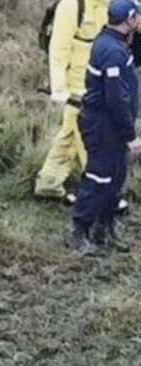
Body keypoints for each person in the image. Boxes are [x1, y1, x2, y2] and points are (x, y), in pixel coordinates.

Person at [69, 0, 141, 253]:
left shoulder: (117, 41)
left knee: (115, 179)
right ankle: (79, 232)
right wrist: (131, 136)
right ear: (130, 20)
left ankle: (104, 231)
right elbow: (116, 101)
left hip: (110, 125)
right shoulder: (112, 52)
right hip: (102, 125)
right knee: (99, 177)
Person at [35, 0, 110, 204]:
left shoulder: (104, 5)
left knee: (70, 134)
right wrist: (59, 88)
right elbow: (58, 49)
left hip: (95, 81)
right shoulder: (71, 5)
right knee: (90, 137)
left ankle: (48, 185)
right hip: (75, 86)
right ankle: (100, 194)